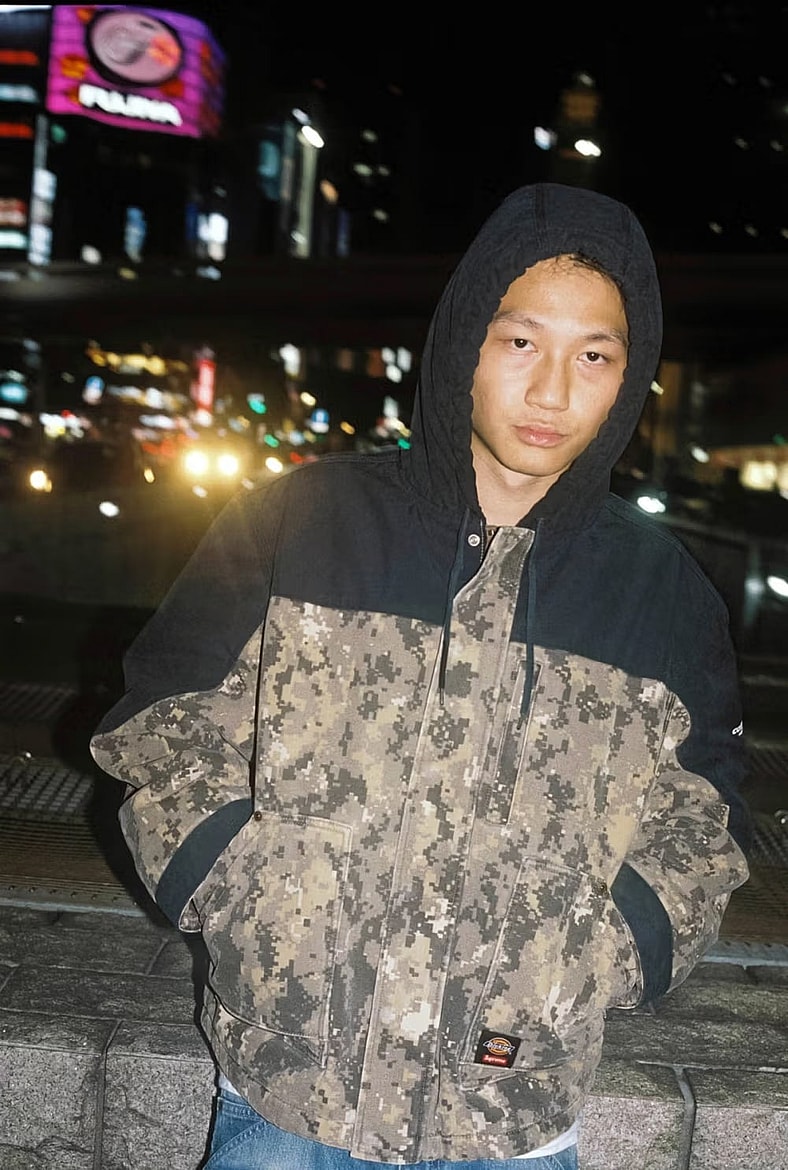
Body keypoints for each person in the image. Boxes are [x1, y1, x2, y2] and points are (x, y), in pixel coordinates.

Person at [89, 182, 752, 1169]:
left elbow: (702, 821)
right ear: (462, 343)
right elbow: (164, 728)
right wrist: (247, 898)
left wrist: (604, 950)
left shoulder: (664, 592)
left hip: (513, 1118)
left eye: (594, 356)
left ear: (629, 377)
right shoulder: (296, 521)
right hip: (283, 1095)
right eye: (519, 341)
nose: (552, 392)